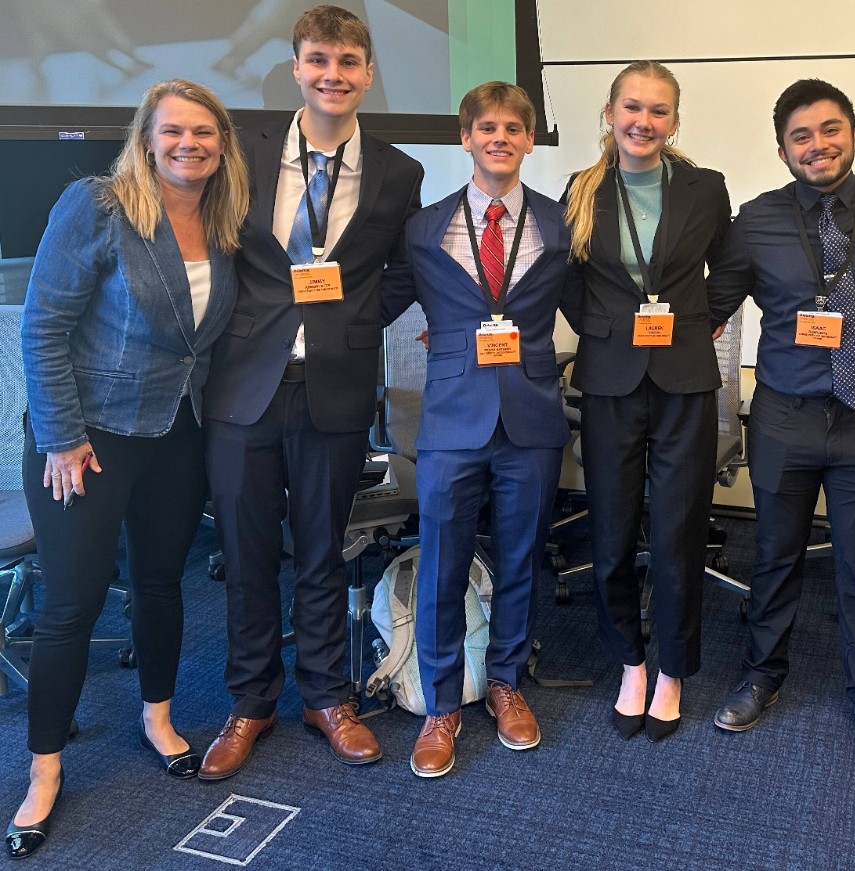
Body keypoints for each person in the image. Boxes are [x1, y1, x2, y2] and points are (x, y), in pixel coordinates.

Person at [11, 79, 249, 860]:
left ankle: (158, 716)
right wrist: (61, 437)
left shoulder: (223, 219)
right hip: (87, 440)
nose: (189, 144)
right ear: (146, 138)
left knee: (159, 583)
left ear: (222, 144)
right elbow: (43, 326)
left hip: (176, 434)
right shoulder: (99, 205)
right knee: (71, 604)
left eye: (204, 132)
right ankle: (45, 768)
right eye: (173, 130)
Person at [198, 4, 423, 780]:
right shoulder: (243, 148)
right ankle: (250, 700)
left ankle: (328, 696)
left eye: (348, 62)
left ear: (368, 73)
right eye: (319, 60)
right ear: (296, 68)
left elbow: (405, 270)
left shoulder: (398, 171)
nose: (333, 74)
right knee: (247, 553)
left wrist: (354, 321)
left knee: (325, 549)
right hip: (244, 385)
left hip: (335, 383)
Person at [704, 79, 855, 759]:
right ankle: (761, 676)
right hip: (783, 417)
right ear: (783, 150)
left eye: (830, 129)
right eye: (801, 136)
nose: (818, 144)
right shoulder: (757, 220)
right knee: (774, 557)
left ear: (853, 133)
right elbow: (711, 309)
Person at [380, 81, 577, 777]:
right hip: (450, 417)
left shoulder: (559, 223)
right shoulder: (424, 228)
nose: (500, 138)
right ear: (465, 138)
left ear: (529, 140)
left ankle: (506, 681)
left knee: (522, 558)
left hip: (531, 414)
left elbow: (593, 304)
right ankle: (440, 704)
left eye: (513, 128)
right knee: (442, 562)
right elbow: (382, 299)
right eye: (486, 127)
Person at [562, 60, 731, 742]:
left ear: (675, 122)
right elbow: (568, 278)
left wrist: (705, 317)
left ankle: (673, 669)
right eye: (632, 107)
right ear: (609, 113)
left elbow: (732, 263)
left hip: (684, 377)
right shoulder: (582, 189)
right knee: (610, 531)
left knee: (678, 532)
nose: (644, 121)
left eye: (659, 110)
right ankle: (630, 660)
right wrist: (600, 328)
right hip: (610, 380)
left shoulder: (705, 188)